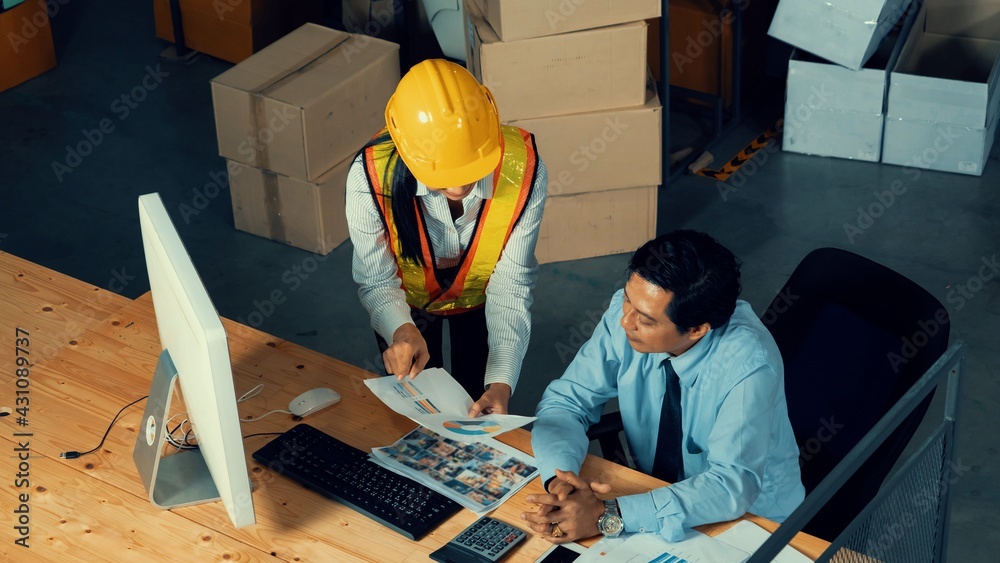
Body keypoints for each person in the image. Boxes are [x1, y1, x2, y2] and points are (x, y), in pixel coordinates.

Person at [522, 230, 804, 543]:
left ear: (696, 329)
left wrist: (608, 515)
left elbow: (729, 484)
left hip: (748, 520)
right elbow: (566, 404)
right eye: (628, 298)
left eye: (645, 318)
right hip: (655, 496)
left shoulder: (749, 365)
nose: (625, 322)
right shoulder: (629, 314)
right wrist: (560, 479)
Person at [346, 59, 547, 417]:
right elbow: (377, 279)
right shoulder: (371, 177)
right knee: (419, 406)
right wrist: (401, 329)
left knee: (475, 401)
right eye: (443, 176)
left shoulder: (523, 170)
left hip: (482, 300)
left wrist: (500, 383)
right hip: (404, 305)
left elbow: (511, 284)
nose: (459, 186)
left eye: (472, 170)